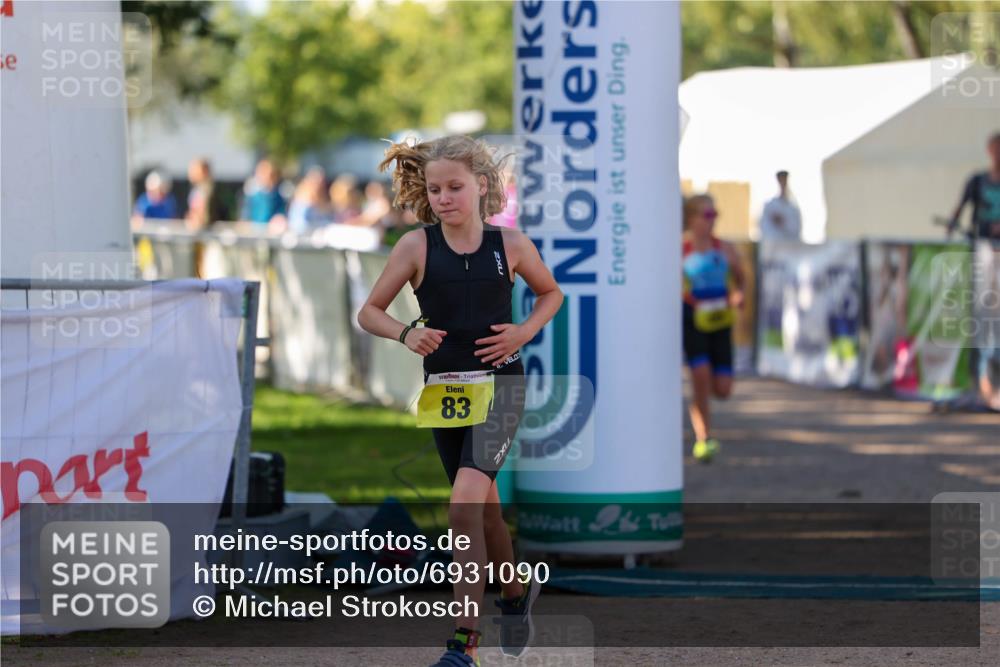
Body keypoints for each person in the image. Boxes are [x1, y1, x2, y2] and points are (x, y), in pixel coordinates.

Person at [357, 135, 562, 666]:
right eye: (435, 190)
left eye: (455, 187)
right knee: (484, 511)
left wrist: (523, 332)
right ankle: (514, 593)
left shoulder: (510, 245)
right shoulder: (415, 247)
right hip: (446, 391)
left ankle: (463, 644)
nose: (444, 198)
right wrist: (406, 333)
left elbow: (551, 293)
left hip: (502, 387)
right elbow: (370, 312)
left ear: (482, 185)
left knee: (463, 503)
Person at [682, 194, 746, 462]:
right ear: (692, 218)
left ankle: (702, 399)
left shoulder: (725, 249)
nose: (712, 220)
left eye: (715, 214)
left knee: (723, 389)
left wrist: (738, 295)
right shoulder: (680, 249)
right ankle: (704, 437)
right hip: (693, 320)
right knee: (700, 376)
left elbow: (741, 279)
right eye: (707, 215)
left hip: (720, 321)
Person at [948, 132, 1000, 241]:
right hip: (981, 240)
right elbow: (961, 205)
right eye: (996, 149)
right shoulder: (976, 181)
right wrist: (950, 228)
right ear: (989, 150)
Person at [240, 158, 287, 226]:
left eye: (271, 175)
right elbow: (245, 217)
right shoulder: (252, 196)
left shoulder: (279, 197)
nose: (266, 178)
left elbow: (281, 215)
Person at [287, 167, 334, 234]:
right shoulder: (302, 201)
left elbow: (328, 219)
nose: (319, 186)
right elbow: (300, 225)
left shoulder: (323, 200)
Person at [759, 170, 802, 242]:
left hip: (789, 244)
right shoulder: (769, 206)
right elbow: (764, 227)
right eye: (781, 180)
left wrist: (783, 222)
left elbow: (796, 229)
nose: (782, 183)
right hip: (773, 244)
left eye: (784, 180)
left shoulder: (793, 208)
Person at [185, 157, 225, 231]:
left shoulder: (208, 189)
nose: (191, 173)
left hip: (207, 231)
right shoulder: (196, 189)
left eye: (195, 170)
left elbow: (206, 215)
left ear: (204, 171)